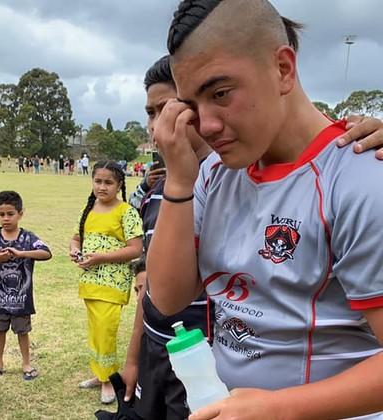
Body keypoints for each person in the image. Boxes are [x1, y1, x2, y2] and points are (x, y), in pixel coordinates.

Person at [149, 1, 383, 419]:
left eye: (220, 93)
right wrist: (179, 180)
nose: (206, 125)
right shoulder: (213, 174)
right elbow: (167, 298)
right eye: (193, 105)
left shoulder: (360, 178)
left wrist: (278, 408)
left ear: (283, 69)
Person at [69, 161, 143, 404]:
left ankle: (110, 379)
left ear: (119, 185)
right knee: (95, 332)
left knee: (106, 331)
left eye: (108, 182)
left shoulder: (127, 211)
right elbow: (77, 236)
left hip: (112, 284)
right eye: (98, 181)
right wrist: (74, 248)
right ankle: (100, 374)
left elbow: (135, 249)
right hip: (89, 281)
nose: (102, 187)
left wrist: (101, 257)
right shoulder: (89, 208)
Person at [0, 191, 52, 380]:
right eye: (1, 214)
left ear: (21, 213)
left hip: (22, 299)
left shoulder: (28, 238)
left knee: (22, 331)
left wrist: (21, 254)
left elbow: (46, 253)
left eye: (10, 214)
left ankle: (26, 363)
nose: (6, 218)